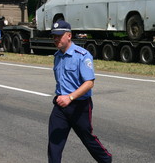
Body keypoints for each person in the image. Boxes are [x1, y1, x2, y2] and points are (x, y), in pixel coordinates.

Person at [48, 20, 112, 163]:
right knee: (54, 142)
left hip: (79, 106)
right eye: (54, 36)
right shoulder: (57, 56)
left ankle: (105, 159)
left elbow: (89, 82)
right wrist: (62, 98)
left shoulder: (82, 55)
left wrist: (70, 98)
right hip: (60, 106)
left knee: (87, 138)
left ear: (69, 36)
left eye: (59, 36)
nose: (56, 39)